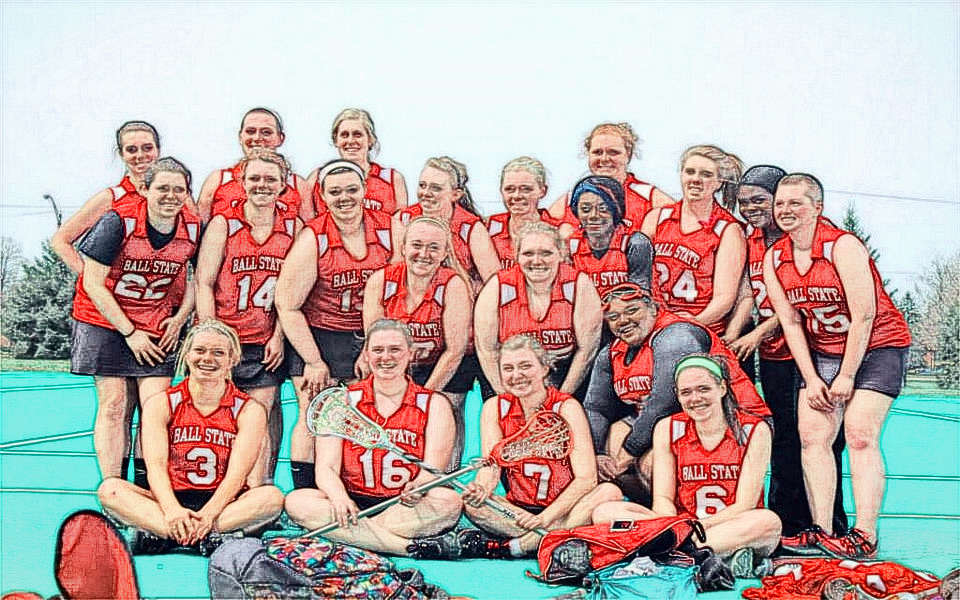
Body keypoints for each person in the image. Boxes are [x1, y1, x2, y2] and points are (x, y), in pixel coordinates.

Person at [764, 174, 911, 559]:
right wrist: (811, 378)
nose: (786, 210)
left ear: (818, 207)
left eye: (796, 203)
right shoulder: (775, 256)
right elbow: (790, 322)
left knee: (860, 433)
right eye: (780, 203)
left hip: (877, 345)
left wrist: (846, 375)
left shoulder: (842, 246)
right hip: (824, 350)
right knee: (813, 435)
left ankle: (865, 533)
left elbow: (864, 315)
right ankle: (823, 529)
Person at [410, 335, 622, 559]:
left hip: (566, 508)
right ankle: (556, 539)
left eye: (525, 366)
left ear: (544, 368)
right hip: (519, 512)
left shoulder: (566, 407)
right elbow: (491, 466)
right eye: (508, 368)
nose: (516, 375)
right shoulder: (495, 407)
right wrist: (482, 488)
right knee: (473, 504)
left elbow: (586, 479)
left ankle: (520, 546)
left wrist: (545, 519)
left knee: (609, 492)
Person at [729, 166, 848, 538]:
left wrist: (758, 332)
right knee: (782, 436)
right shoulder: (751, 239)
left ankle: (828, 523)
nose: (751, 208)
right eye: (743, 202)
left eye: (759, 200)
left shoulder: (803, 238)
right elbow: (749, 294)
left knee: (820, 438)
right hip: (775, 355)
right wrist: (734, 336)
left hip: (808, 350)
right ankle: (787, 522)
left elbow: (796, 306)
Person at [97, 320, 284, 555]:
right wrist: (172, 510)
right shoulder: (162, 403)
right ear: (186, 355)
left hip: (223, 503)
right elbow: (155, 467)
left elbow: (237, 474)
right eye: (199, 350)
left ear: (232, 360)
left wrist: (209, 514)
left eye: (218, 353)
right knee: (110, 489)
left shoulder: (249, 410)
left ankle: (165, 536)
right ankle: (207, 537)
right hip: (170, 498)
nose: (207, 359)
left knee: (272, 497)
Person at [284, 319, 462, 556]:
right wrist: (339, 497)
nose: (386, 357)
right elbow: (326, 468)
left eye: (395, 349)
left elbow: (432, 469)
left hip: (403, 504)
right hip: (353, 500)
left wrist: (419, 487)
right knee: (297, 501)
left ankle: (353, 536)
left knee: (448, 501)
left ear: (411, 354)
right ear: (366, 355)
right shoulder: (342, 401)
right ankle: (407, 548)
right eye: (378, 350)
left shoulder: (434, 404)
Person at [71, 157, 200, 480]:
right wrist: (130, 333)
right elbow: (92, 283)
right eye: (163, 188)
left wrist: (180, 318)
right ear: (145, 189)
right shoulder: (118, 221)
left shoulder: (193, 226)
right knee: (114, 403)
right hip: (104, 318)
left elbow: (199, 278)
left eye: (179, 189)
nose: (171, 196)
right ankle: (113, 484)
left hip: (155, 318)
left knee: (156, 406)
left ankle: (148, 484)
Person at [584, 283, 770, 503]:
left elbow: (664, 401)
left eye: (632, 310)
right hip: (675, 421)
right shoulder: (612, 352)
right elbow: (596, 407)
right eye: (613, 317)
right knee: (614, 436)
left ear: (654, 308)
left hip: (731, 419)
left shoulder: (677, 335)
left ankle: (690, 515)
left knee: (651, 464)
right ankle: (660, 513)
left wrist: (627, 453)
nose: (623, 320)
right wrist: (597, 454)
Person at [592, 354, 781, 567]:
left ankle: (667, 552)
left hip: (728, 525)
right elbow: (663, 498)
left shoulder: (753, 429)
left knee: (768, 522)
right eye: (686, 392)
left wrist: (694, 528)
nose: (695, 398)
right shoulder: (667, 427)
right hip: (681, 527)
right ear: (677, 396)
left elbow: (744, 505)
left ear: (722, 388)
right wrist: (672, 527)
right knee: (604, 512)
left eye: (703, 389)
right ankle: (700, 554)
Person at [275, 159, 394, 489]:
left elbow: (398, 289)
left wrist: (373, 347)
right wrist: (314, 361)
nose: (344, 198)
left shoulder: (388, 229)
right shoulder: (313, 237)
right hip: (319, 333)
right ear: (322, 196)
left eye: (352, 190)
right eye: (335, 192)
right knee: (314, 412)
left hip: (368, 333)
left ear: (365, 190)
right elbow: (287, 304)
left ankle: (357, 487)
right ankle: (305, 492)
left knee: (364, 415)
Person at [195, 148, 302, 484]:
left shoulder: (293, 226)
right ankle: (216, 486)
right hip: (226, 336)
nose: (262, 185)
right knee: (216, 414)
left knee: (262, 412)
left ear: (283, 184)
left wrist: (279, 336)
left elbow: (295, 291)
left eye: (270, 179)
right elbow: (204, 281)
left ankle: (260, 488)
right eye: (254, 178)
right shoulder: (224, 224)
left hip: (264, 339)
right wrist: (213, 337)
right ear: (242, 181)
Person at [362, 216, 472, 470]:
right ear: (403, 248)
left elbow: (455, 351)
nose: (424, 254)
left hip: (440, 363)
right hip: (396, 363)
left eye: (433, 247)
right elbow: (376, 343)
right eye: (417, 245)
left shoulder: (453, 285)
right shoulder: (381, 281)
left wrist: (423, 398)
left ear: (445, 253)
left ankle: (444, 474)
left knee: (445, 407)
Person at [475, 222, 602, 398]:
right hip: (511, 375)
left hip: (565, 372)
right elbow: (487, 351)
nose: (536, 261)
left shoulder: (579, 284)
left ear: (561, 254)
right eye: (528, 253)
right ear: (516, 256)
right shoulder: (497, 287)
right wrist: (508, 398)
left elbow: (586, 351)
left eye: (546, 253)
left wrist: (560, 400)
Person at [640, 145, 746, 337]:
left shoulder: (728, 230)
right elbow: (639, 275)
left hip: (700, 326)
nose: (696, 179)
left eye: (706, 174)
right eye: (690, 172)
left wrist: (691, 323)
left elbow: (724, 298)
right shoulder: (657, 218)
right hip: (654, 322)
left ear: (719, 182)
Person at [52, 121, 171, 274]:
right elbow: (60, 240)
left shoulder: (176, 197)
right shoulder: (111, 198)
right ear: (121, 154)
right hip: (112, 287)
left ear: (158, 150)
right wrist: (90, 279)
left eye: (147, 148)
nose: (140, 155)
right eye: (131, 150)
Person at [393, 156, 500, 292]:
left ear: (456, 195)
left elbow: (495, 283)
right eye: (422, 185)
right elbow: (391, 271)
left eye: (436, 188)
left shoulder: (471, 228)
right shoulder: (403, 219)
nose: (426, 193)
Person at [547, 122, 674, 231]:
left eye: (613, 152)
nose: (604, 159)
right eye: (597, 152)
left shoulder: (651, 198)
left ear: (628, 155)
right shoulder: (568, 201)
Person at [196, 107, 307, 221]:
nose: (257, 138)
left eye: (266, 132)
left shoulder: (297, 185)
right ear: (240, 137)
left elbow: (308, 228)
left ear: (280, 138)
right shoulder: (218, 180)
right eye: (250, 131)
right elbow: (200, 227)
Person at [305, 108, 408, 216]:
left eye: (357, 135)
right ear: (336, 140)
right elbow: (307, 222)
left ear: (370, 139)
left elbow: (401, 223)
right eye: (344, 135)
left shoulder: (391, 179)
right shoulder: (317, 178)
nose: (350, 141)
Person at [566, 175, 656, 299]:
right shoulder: (570, 246)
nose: (593, 216)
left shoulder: (635, 243)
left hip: (629, 309)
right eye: (585, 209)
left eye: (603, 209)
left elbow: (639, 300)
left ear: (616, 210)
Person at [486, 156, 565, 269]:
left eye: (526, 189)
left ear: (542, 191)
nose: (517, 196)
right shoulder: (487, 228)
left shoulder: (559, 232)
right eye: (509, 189)